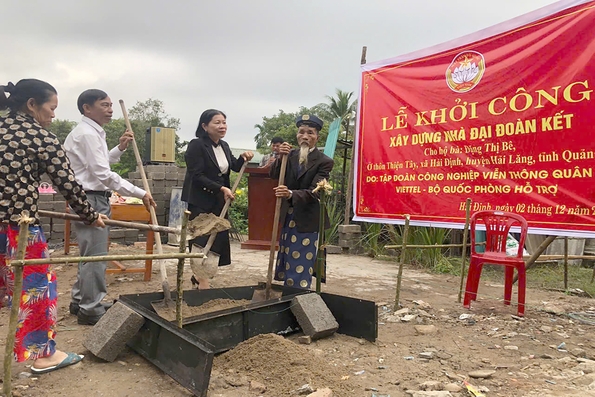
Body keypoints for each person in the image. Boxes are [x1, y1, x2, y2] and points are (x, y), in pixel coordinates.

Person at [0, 79, 106, 373]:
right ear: (32, 104)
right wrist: (90, 214)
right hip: (18, 227)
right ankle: (44, 356)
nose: (53, 115)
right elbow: (67, 183)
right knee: (36, 289)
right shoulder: (39, 136)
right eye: (51, 108)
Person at [63, 89, 156, 325]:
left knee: (90, 254)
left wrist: (120, 148)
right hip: (90, 198)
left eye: (111, 105)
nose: (110, 109)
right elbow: (103, 174)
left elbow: (99, 162)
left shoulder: (91, 132)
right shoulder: (86, 134)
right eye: (104, 105)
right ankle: (90, 308)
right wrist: (140, 192)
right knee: (95, 256)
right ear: (87, 108)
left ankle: (81, 300)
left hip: (90, 196)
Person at [181, 109, 254, 289]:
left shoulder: (225, 146)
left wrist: (243, 158)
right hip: (201, 201)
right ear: (205, 126)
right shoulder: (196, 145)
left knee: (217, 239)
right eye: (217, 122)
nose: (222, 126)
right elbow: (196, 175)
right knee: (202, 238)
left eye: (224, 122)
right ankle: (202, 281)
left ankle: (201, 277)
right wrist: (221, 188)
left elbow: (233, 167)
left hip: (219, 201)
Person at [270, 114, 334, 289]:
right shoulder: (288, 155)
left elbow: (316, 192)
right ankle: (287, 293)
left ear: (317, 137)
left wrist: (290, 193)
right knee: (288, 255)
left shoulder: (324, 162)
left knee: (302, 259)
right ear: (297, 135)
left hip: (308, 219)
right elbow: (274, 175)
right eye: (301, 132)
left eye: (310, 133)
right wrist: (279, 157)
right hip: (288, 216)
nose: (305, 136)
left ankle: (299, 296)